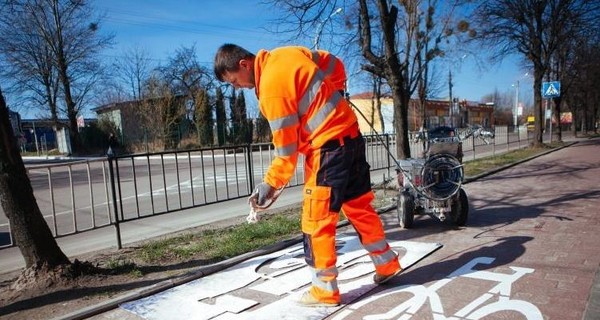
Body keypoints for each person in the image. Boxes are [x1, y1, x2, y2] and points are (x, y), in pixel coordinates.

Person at [214, 44, 402, 307]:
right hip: (351, 135)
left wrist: (270, 184)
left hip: (327, 150)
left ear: (244, 64)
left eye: (234, 81)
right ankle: (387, 264)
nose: (237, 87)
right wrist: (334, 91)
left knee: (316, 222)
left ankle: (324, 292)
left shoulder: (271, 91)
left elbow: (286, 152)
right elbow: (336, 65)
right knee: (359, 206)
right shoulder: (288, 53)